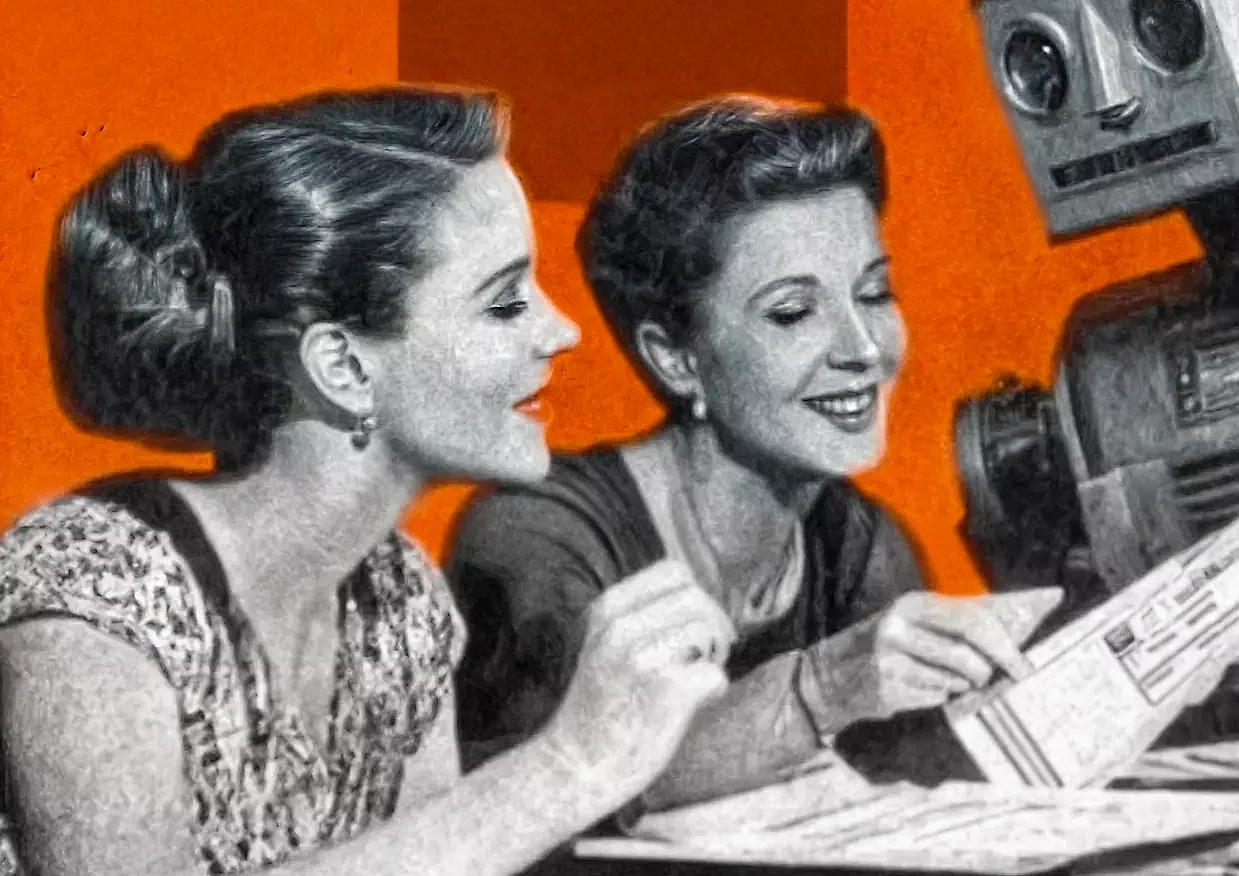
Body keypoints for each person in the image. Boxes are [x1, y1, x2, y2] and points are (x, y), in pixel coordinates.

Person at [0, 88, 735, 876]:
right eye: (505, 303)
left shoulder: (402, 608)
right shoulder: (92, 598)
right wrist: (569, 766)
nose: (562, 330)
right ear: (343, 368)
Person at [448, 96, 1052, 810]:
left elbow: (923, 784)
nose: (862, 351)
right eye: (794, 313)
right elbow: (563, 802)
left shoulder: (855, 543)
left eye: (875, 293)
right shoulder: (537, 538)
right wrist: (821, 688)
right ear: (676, 360)